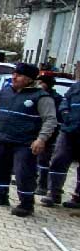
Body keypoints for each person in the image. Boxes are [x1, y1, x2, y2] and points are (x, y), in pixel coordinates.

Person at [0, 63, 56, 217]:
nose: (14, 77)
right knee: (0, 168)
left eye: (19, 75)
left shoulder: (41, 97)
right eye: (14, 74)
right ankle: (1, 195)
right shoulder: (5, 92)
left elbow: (50, 120)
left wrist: (41, 139)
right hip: (2, 137)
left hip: (25, 142)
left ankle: (26, 204)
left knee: (23, 172)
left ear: (30, 79)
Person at [40, 77, 80, 208]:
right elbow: (65, 101)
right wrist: (65, 113)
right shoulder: (76, 87)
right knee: (59, 160)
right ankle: (53, 193)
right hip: (68, 131)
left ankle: (78, 198)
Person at [36, 73, 63, 197]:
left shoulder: (55, 99)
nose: (39, 84)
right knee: (34, 158)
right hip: (35, 131)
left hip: (49, 133)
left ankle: (42, 185)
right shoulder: (37, 95)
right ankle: (32, 180)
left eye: (41, 82)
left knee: (43, 159)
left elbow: (54, 118)